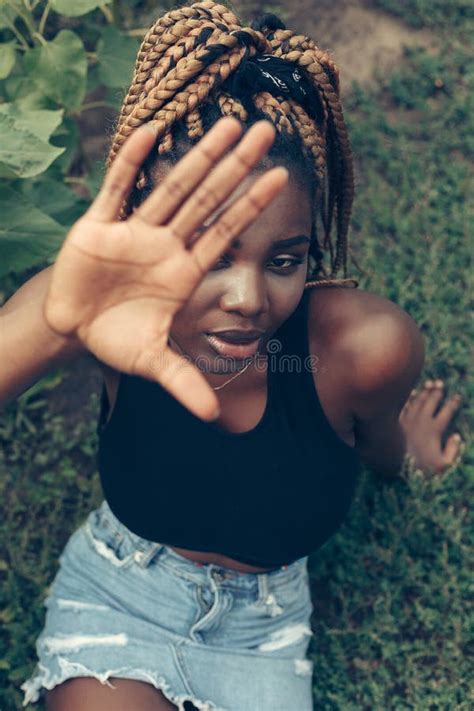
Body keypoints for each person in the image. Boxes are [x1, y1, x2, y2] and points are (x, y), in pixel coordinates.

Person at [0, 3, 462, 710]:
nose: (247, 297)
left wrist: (410, 461)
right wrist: (57, 319)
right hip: (125, 589)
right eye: (210, 255)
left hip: (265, 630)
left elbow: (378, 441)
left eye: (285, 258)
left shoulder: (361, 350)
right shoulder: (101, 311)